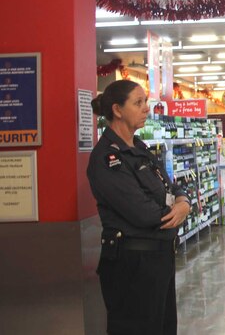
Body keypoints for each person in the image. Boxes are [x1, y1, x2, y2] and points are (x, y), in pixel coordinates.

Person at [86, 79, 192, 334]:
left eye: (145, 101)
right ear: (117, 110)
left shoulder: (140, 148)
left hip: (158, 260)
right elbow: (143, 213)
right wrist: (175, 210)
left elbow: (171, 186)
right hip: (131, 266)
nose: (146, 108)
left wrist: (184, 201)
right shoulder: (107, 158)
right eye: (138, 102)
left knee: (163, 327)